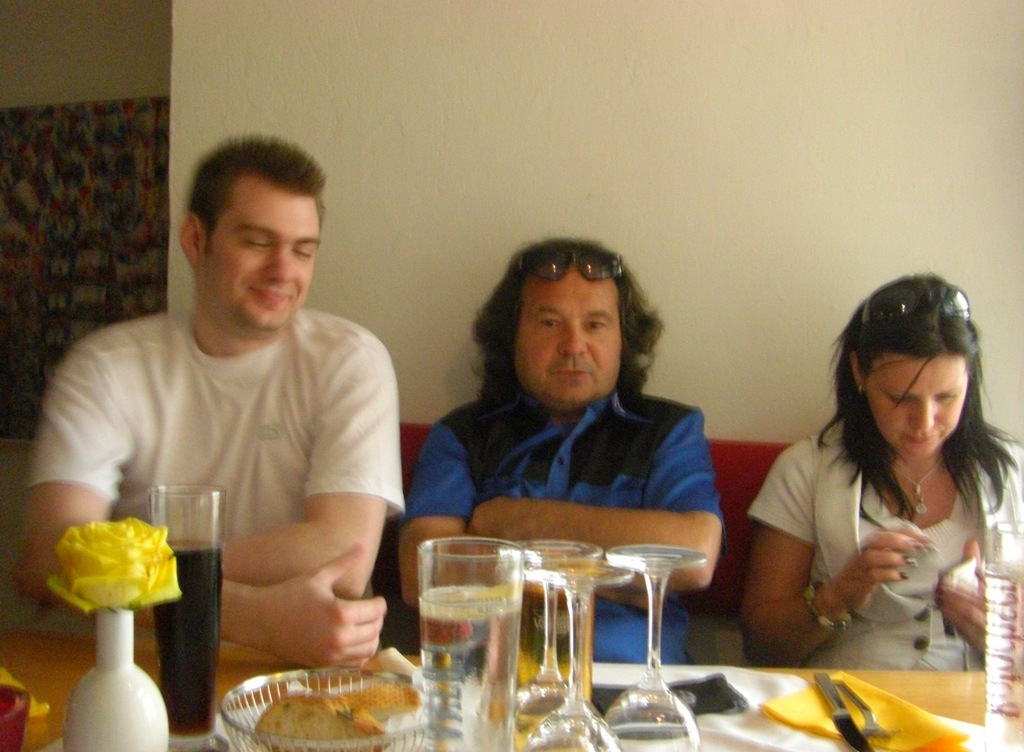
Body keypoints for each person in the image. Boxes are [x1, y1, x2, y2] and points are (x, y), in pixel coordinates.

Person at [14, 135, 404, 667]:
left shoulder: (350, 360)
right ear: (196, 240)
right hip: (132, 669)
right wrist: (247, 615)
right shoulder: (105, 366)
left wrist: (125, 569)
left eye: (303, 250)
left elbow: (343, 558)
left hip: (292, 676)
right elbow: (46, 558)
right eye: (258, 243)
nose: (283, 271)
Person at [398, 237, 722, 664]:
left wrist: (509, 522)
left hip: (632, 682)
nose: (573, 345)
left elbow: (693, 559)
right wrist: (627, 580)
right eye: (550, 323)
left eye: (595, 325)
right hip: (492, 682)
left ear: (624, 340)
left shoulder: (670, 431)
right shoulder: (461, 435)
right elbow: (424, 578)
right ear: (511, 336)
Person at [742, 273, 1023, 670]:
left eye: (947, 397)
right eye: (900, 398)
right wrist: (837, 597)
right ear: (859, 373)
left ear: (970, 379)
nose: (924, 423)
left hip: (972, 701)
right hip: (847, 697)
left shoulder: (1012, 473)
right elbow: (761, 647)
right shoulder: (807, 470)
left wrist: (1005, 637)